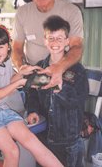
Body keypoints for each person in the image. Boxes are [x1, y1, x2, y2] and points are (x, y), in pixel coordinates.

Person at [0, 24, 63, 167]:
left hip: (1, 111)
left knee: (33, 142)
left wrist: (22, 72)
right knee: (12, 151)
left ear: (8, 46)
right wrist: (21, 82)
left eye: (0, 47)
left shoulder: (5, 62)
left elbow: (7, 82)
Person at [26, 15, 89, 167]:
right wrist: (32, 110)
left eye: (60, 38)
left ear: (68, 41)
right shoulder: (40, 68)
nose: (55, 43)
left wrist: (60, 88)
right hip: (43, 136)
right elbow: (32, 93)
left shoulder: (78, 71)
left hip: (67, 140)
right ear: (45, 40)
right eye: (51, 38)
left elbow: (78, 100)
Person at [12, 0, 83, 89]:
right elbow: (16, 48)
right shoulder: (22, 12)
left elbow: (76, 47)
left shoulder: (71, 11)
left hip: (63, 73)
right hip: (34, 76)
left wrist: (59, 67)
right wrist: (21, 67)